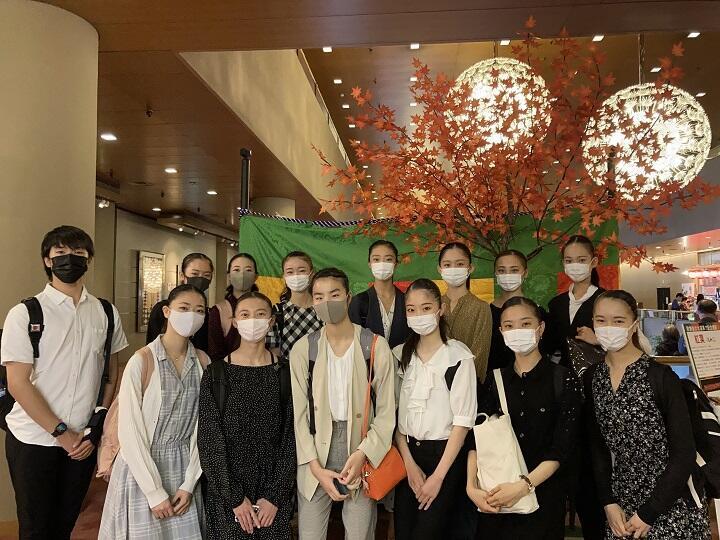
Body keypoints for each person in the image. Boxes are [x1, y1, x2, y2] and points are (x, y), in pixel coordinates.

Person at [2, 225, 128, 540]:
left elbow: (110, 373)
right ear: (47, 260)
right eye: (60, 252)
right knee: (35, 529)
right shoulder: (25, 313)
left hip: (83, 441)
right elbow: (18, 383)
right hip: (33, 439)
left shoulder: (106, 312)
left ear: (88, 260)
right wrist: (62, 433)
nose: (70, 259)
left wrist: (95, 425)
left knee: (65, 525)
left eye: (78, 253)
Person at [585, 290, 710, 539]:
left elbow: (684, 452)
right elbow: (597, 447)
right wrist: (608, 502)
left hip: (671, 501)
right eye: (601, 320)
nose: (608, 327)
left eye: (618, 321)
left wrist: (650, 512)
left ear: (633, 325)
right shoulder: (592, 377)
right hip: (621, 504)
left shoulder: (661, 377)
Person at [289, 268, 396, 540]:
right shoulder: (304, 349)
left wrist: (363, 454)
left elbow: (386, 413)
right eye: (319, 297)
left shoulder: (374, 346)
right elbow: (299, 416)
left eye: (334, 294)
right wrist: (314, 466)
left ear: (348, 298)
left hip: (361, 447)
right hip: (315, 451)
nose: (326, 302)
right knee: (310, 534)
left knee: (360, 534)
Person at [467, 297, 581, 539]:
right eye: (509, 326)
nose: (517, 331)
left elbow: (562, 448)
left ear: (540, 328)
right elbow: (476, 439)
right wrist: (471, 487)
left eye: (525, 323)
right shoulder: (494, 379)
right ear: (501, 332)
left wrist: (523, 486)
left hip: (543, 498)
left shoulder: (563, 379)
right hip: (495, 496)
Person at [100, 284, 208, 539]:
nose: (192, 315)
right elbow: (130, 431)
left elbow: (204, 426)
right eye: (184, 308)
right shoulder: (142, 360)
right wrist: (154, 491)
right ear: (167, 311)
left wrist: (190, 482)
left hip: (185, 469)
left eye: (199, 310)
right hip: (142, 469)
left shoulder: (203, 362)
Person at [199, 291, 296, 539]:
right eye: (245, 315)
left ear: (271, 322)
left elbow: (292, 438)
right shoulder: (216, 374)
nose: (252, 320)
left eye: (260, 314)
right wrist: (234, 498)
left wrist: (274, 496)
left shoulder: (285, 372)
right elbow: (209, 440)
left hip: (273, 496)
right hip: (227, 495)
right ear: (234, 322)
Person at [393, 279, 477, 540]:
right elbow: (396, 419)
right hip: (408, 457)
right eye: (411, 310)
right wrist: (409, 464)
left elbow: (462, 424)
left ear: (441, 309)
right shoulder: (399, 355)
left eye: (426, 308)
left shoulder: (458, 357)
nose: (419, 315)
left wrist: (438, 477)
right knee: (405, 531)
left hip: (445, 459)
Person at [545, 234, 606, 540]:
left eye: (581, 260)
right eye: (569, 260)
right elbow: (549, 349)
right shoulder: (556, 305)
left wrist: (600, 339)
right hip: (562, 398)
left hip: (599, 397)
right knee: (565, 471)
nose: (575, 265)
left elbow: (637, 344)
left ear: (593, 262)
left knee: (595, 476)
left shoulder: (606, 300)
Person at [438, 242, 492, 382]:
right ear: (439, 269)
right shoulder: (433, 306)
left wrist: (464, 383)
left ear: (470, 268)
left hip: (468, 384)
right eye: (447, 265)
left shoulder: (481, 307)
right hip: (434, 383)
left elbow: (480, 355)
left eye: (460, 264)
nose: (453, 269)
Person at [489, 250, 549, 371]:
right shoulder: (486, 313)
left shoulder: (539, 312)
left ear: (525, 273)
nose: (507, 275)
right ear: (495, 273)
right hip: (496, 378)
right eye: (502, 270)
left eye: (514, 270)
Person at [146, 252, 214, 351]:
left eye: (206, 275)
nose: (201, 279)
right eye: (195, 274)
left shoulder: (209, 313)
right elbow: (152, 344)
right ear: (182, 275)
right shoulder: (161, 309)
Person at [349, 240, 410, 348]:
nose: (382, 264)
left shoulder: (408, 301)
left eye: (388, 259)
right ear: (369, 264)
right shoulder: (359, 301)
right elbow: (353, 341)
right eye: (376, 259)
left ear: (396, 264)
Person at [267, 251, 324, 360]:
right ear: (284, 276)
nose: (296, 276)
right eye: (290, 272)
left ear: (312, 273)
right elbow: (274, 355)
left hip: (322, 370)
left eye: (302, 270)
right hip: (288, 370)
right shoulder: (277, 312)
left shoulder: (323, 308)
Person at [208, 253, 259, 361]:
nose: (242, 274)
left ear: (256, 276)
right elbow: (215, 352)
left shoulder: (265, 308)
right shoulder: (218, 311)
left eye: (248, 270)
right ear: (229, 276)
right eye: (236, 270)